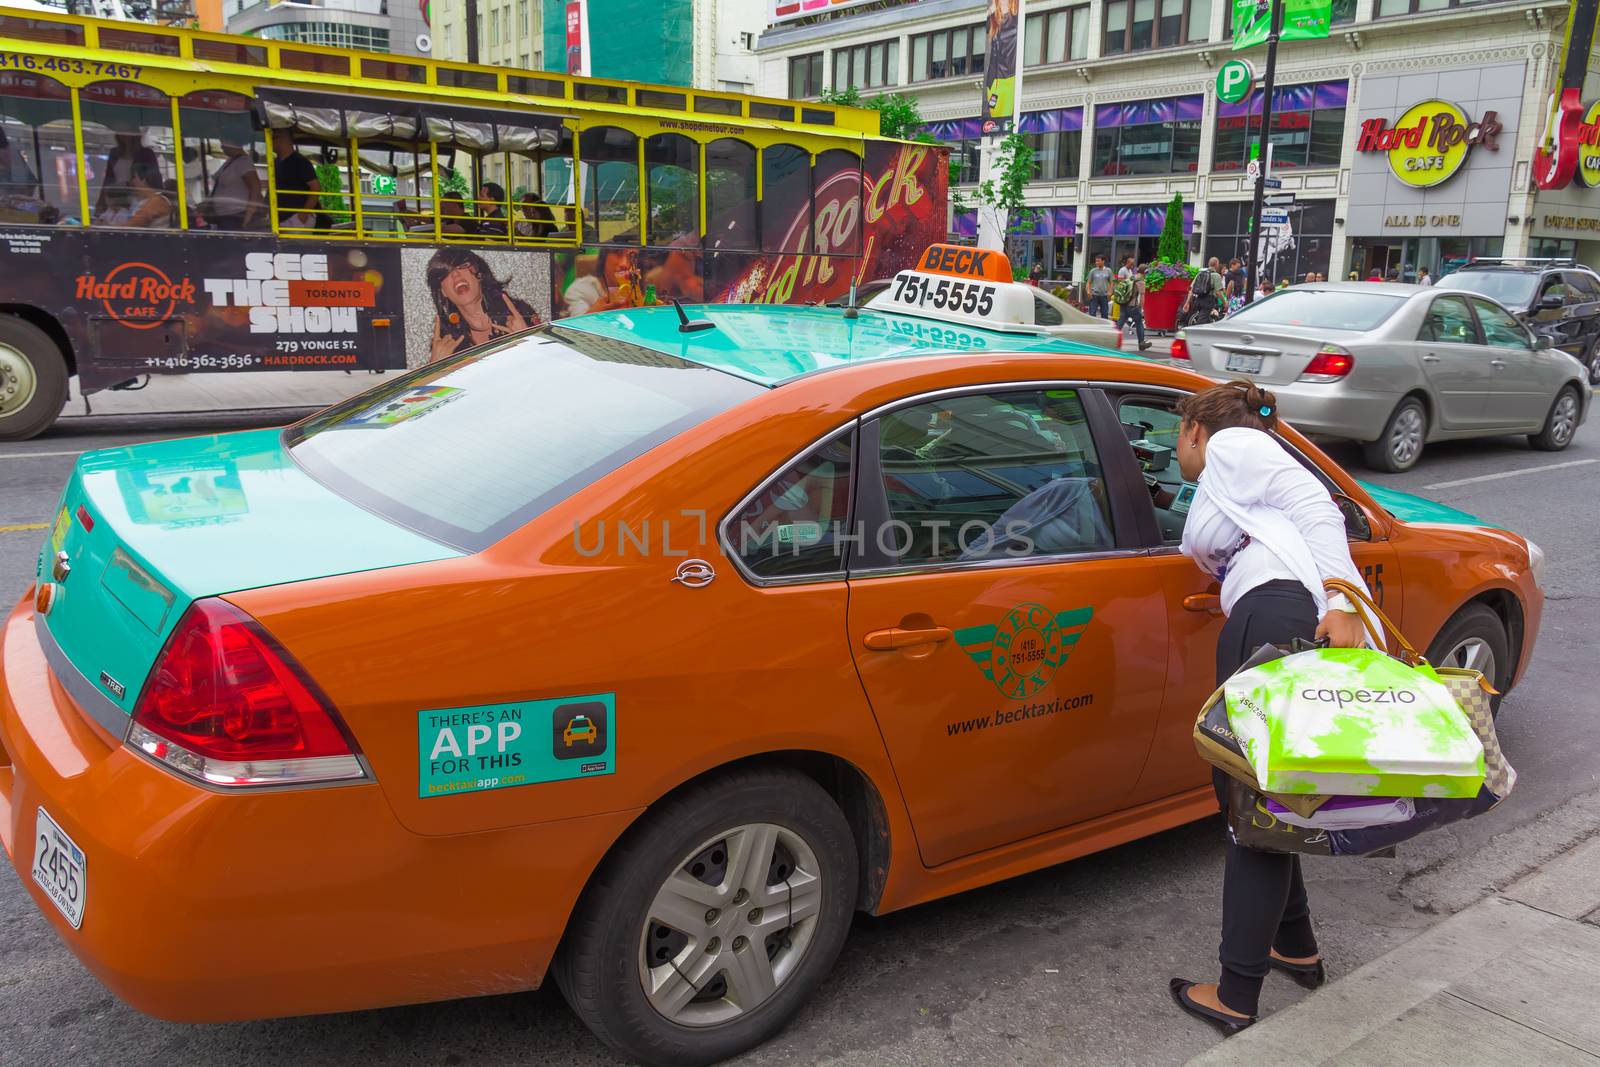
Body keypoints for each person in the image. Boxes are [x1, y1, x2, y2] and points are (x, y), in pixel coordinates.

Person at [1167, 380, 1369, 1036]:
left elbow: (1315, 501)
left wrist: (1342, 596)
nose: (1175, 451)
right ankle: (1297, 947)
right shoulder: (1242, 488)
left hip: (1271, 619)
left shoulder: (1233, 446)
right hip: (1279, 617)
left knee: (1252, 805)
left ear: (1197, 427)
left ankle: (1236, 991)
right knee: (1269, 796)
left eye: (1177, 437)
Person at [425, 247, 540, 361]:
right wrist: (434, 367)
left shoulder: (518, 313)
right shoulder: (447, 339)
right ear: (443, 291)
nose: (455, 275)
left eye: (462, 266)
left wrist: (528, 341)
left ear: (478, 274)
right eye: (446, 273)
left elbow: (549, 367)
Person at [199, 141, 261, 231]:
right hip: (224, 215)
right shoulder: (231, 160)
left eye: (224, 142)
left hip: (235, 215)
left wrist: (248, 217)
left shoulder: (244, 162)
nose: (222, 146)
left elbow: (255, 188)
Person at [271, 128, 324, 230]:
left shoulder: (300, 162)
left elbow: (316, 187)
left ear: (285, 139)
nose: (271, 141)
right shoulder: (275, 162)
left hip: (296, 218)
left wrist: (303, 215)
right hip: (280, 217)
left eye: (274, 138)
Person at [1113, 263, 1151, 350]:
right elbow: (1142, 296)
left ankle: (1112, 341)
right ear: (1145, 272)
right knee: (1139, 323)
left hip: (1124, 304)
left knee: (1120, 323)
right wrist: (1141, 309)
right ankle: (1141, 343)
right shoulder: (1141, 281)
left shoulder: (1132, 277)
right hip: (1133, 306)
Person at [1183, 257, 1226, 325]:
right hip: (1208, 301)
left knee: (1206, 319)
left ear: (1209, 264)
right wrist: (1225, 303)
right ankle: (1196, 334)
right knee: (1201, 322)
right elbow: (1218, 292)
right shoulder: (1216, 276)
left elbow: (1192, 290)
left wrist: (1187, 302)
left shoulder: (1200, 274)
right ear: (1217, 265)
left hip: (1198, 300)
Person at [1084, 254, 1114, 319]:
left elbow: (1112, 282)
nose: (1096, 263)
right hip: (1094, 295)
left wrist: (1110, 292)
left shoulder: (1108, 271)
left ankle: (1103, 328)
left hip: (1104, 295)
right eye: (1096, 261)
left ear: (1103, 261)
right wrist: (1088, 291)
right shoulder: (1093, 271)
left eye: (1098, 261)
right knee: (1092, 313)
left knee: (1105, 314)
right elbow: (1088, 282)